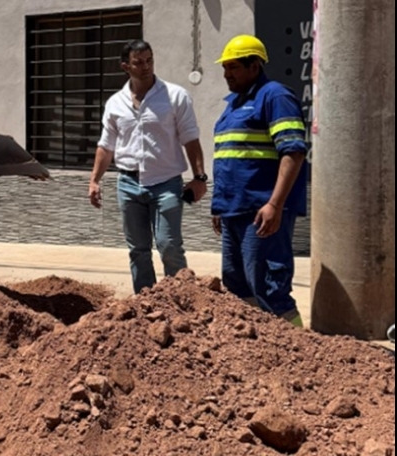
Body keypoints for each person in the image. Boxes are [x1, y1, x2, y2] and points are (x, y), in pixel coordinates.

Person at [89, 40, 207, 294]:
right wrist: (95, 180)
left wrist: (199, 177)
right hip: (128, 184)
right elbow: (106, 146)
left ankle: (183, 299)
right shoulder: (115, 103)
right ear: (125, 67)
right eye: (138, 62)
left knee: (169, 245)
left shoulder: (175, 96)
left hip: (166, 183)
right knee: (138, 250)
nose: (146, 67)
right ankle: (146, 303)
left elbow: (190, 138)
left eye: (149, 60)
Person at [211, 35, 308, 327]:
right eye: (225, 67)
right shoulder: (233, 104)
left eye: (233, 67)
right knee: (237, 287)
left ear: (254, 66)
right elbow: (230, 158)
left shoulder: (275, 97)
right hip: (233, 210)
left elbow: (293, 153)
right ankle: (254, 344)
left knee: (268, 287)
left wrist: (275, 205)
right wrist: (220, 205)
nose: (227, 74)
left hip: (261, 212)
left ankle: (296, 346)